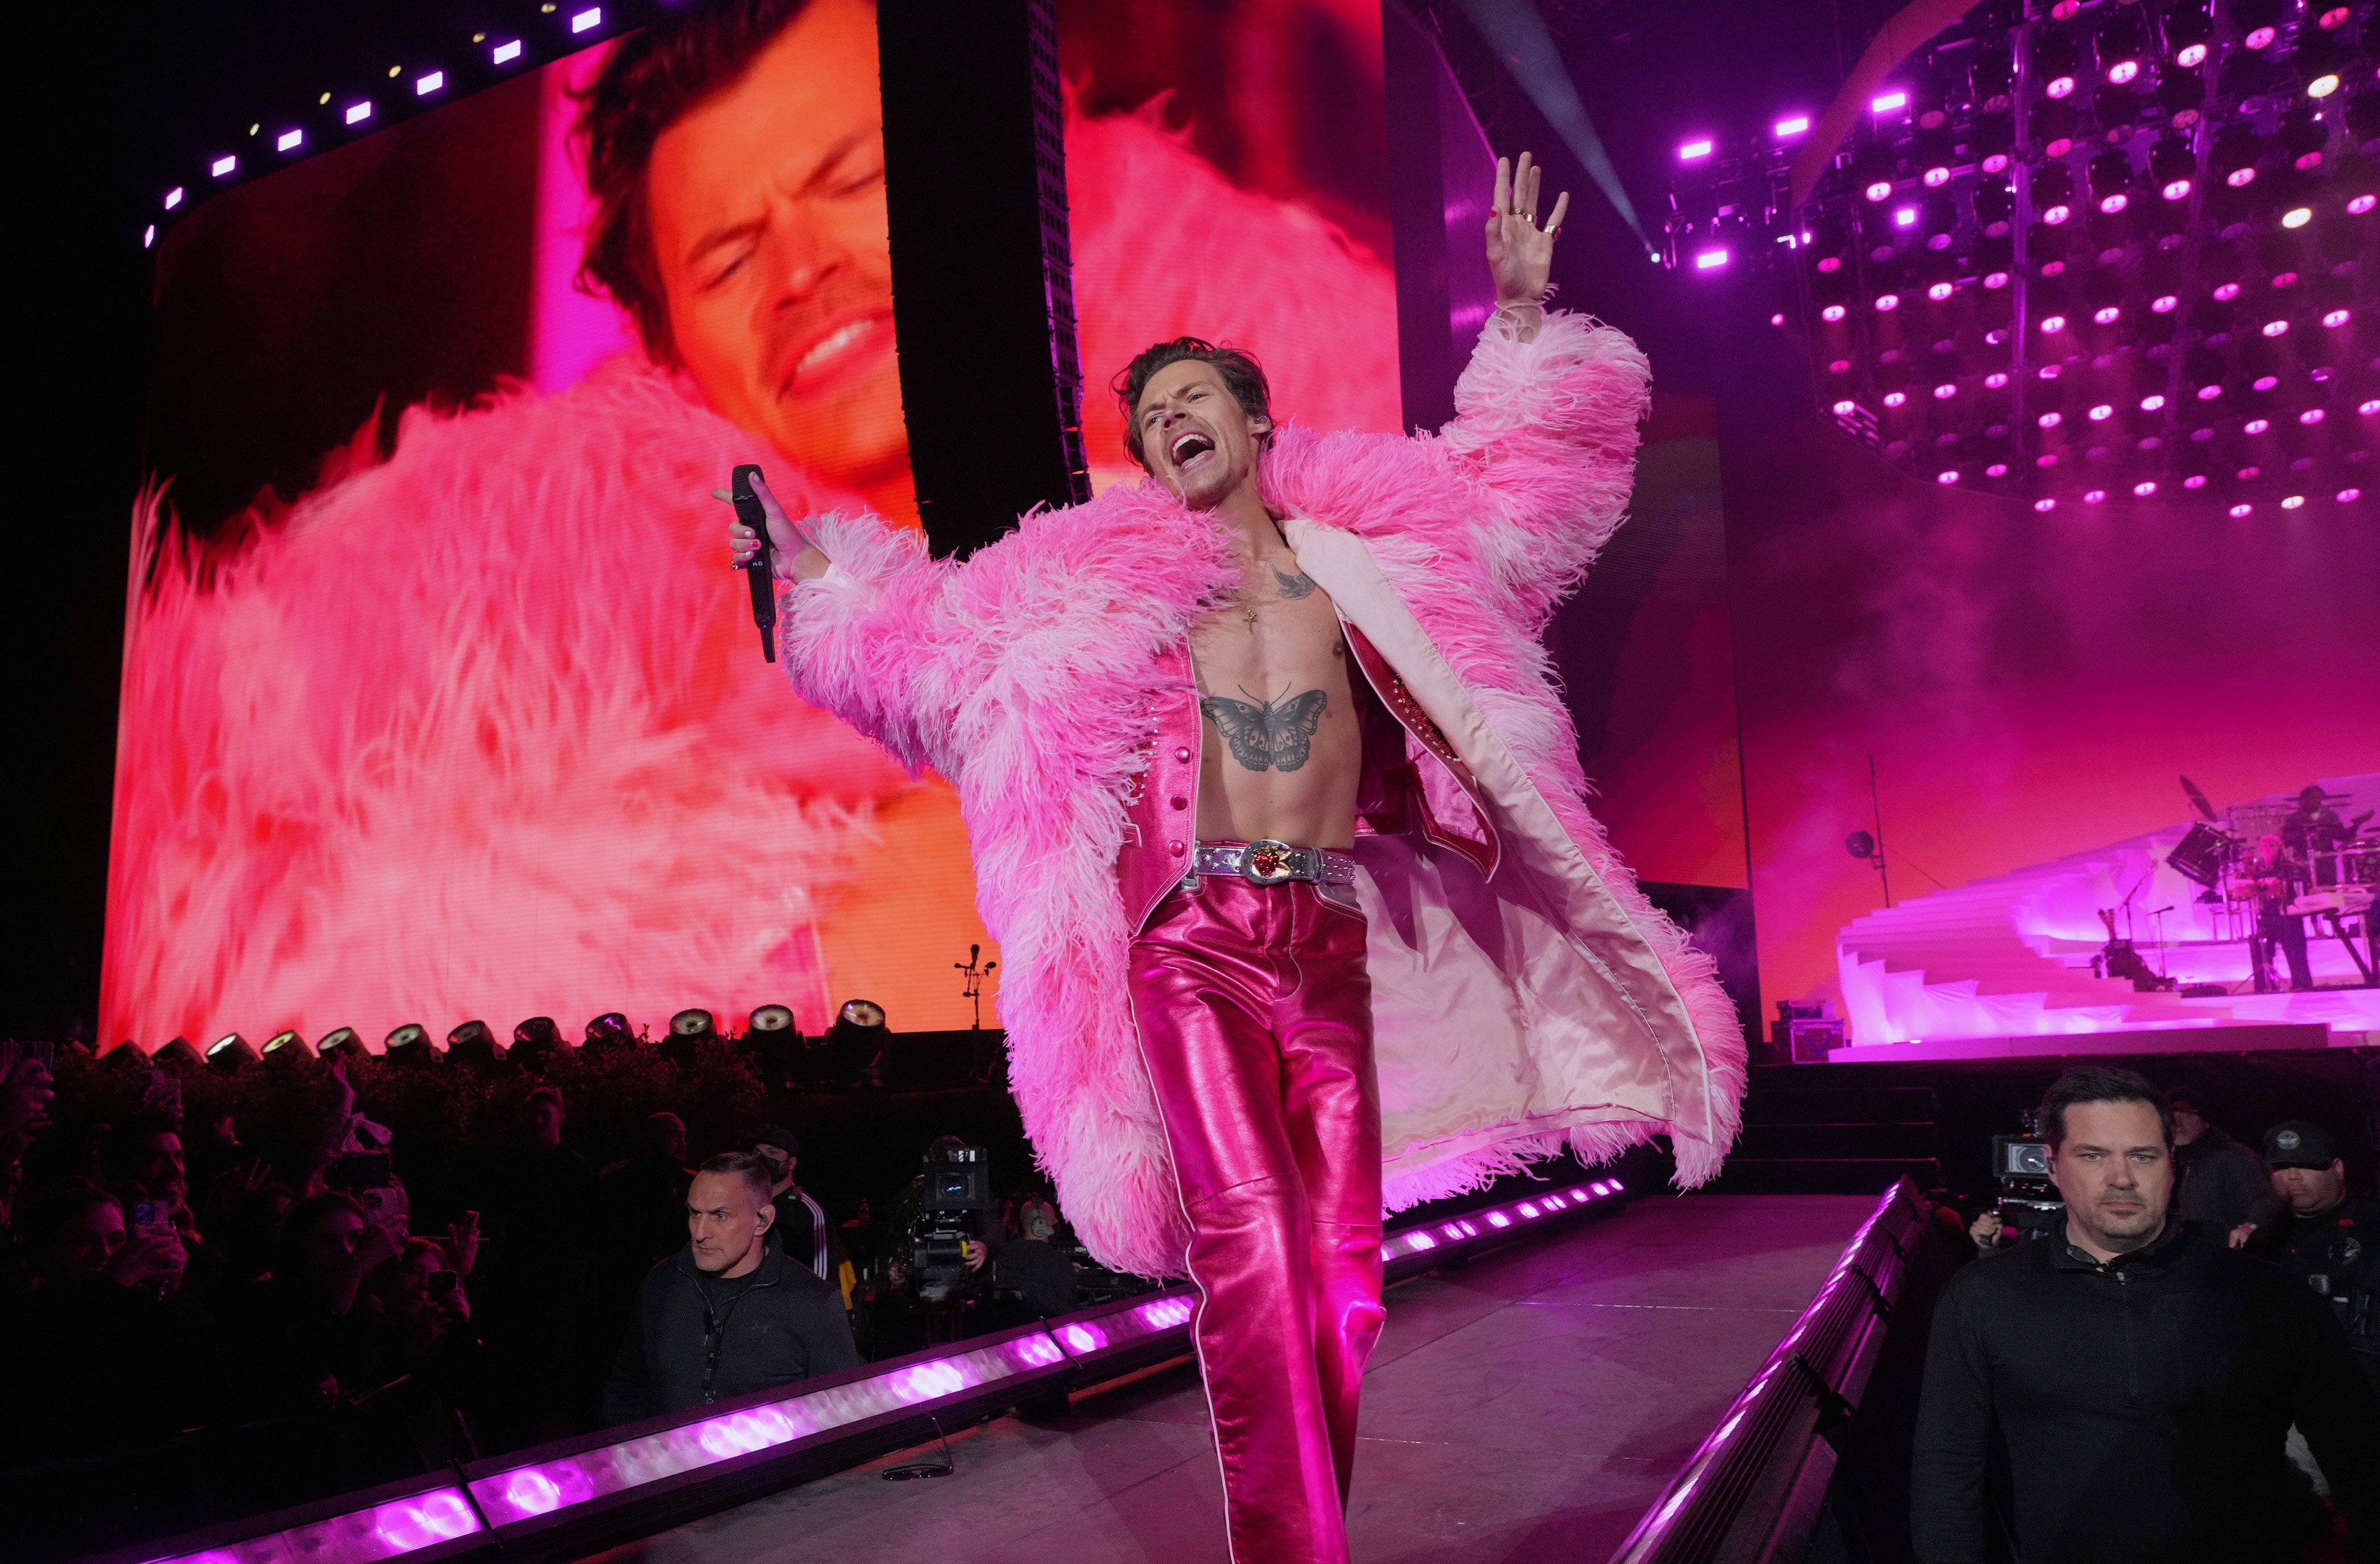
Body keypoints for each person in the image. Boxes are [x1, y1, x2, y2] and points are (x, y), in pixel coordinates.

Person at [728, 152, 1744, 1564]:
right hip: (1189, 943)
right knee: (1252, 1239)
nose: (1166, 423)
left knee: (1345, 1279)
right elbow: (933, 645)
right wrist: (818, 569)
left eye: (1190, 399)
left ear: (1256, 420)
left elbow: (1523, 492)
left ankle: (1298, 1529)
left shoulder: (1376, 554)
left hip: (1327, 942)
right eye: (1148, 417)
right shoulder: (1104, 585)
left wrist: (1518, 326)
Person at [1910, 1067, 2380, 1562]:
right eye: (2093, 1156)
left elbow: (2358, 1455)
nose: (2122, 1178)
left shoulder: (2270, 1297)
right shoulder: (1984, 1297)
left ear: (2172, 1165)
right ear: (2051, 1166)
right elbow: (1947, 1468)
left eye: (2143, 1155)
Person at [601, 1153, 858, 1424]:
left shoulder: (814, 1302)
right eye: (694, 1213)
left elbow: (841, 1417)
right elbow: (628, 1386)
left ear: (763, 1220)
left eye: (720, 1216)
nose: (700, 1232)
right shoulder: (662, 1281)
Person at [2250, 1119, 2380, 1397]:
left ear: (2338, 1170)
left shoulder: (2372, 1226)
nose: (2293, 1176)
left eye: (2307, 1164)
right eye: (2282, 1167)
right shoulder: (2265, 1238)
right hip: (2291, 1395)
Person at [2166, 1087, 2277, 1242]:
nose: (2177, 1121)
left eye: (2186, 1112)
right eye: (2170, 1114)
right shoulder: (2190, 1160)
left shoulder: (2232, 1156)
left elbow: (2267, 1204)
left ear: (2205, 1120)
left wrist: (2251, 1228)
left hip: (2231, 1260)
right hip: (2204, 1257)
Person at [750, 1123, 840, 1290]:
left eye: (772, 1152)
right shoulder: (747, 1205)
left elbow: (824, 1282)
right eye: (757, 1152)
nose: (761, 1159)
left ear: (791, 1163)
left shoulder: (807, 1212)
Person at [2246, 832, 2314, 992]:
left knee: (2295, 950)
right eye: (2264, 846)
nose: (2268, 848)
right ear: (2259, 849)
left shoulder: (2289, 867)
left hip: (2288, 914)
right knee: (2262, 950)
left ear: (2280, 848)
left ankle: (2302, 984)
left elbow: (2301, 883)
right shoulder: (2257, 870)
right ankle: (2265, 986)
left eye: (2272, 845)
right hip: (2267, 914)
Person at [992, 1196, 1077, 1319]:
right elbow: (1068, 1311)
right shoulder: (1057, 1261)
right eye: (1053, 1218)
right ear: (1039, 1225)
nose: (1056, 1222)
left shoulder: (1004, 1255)